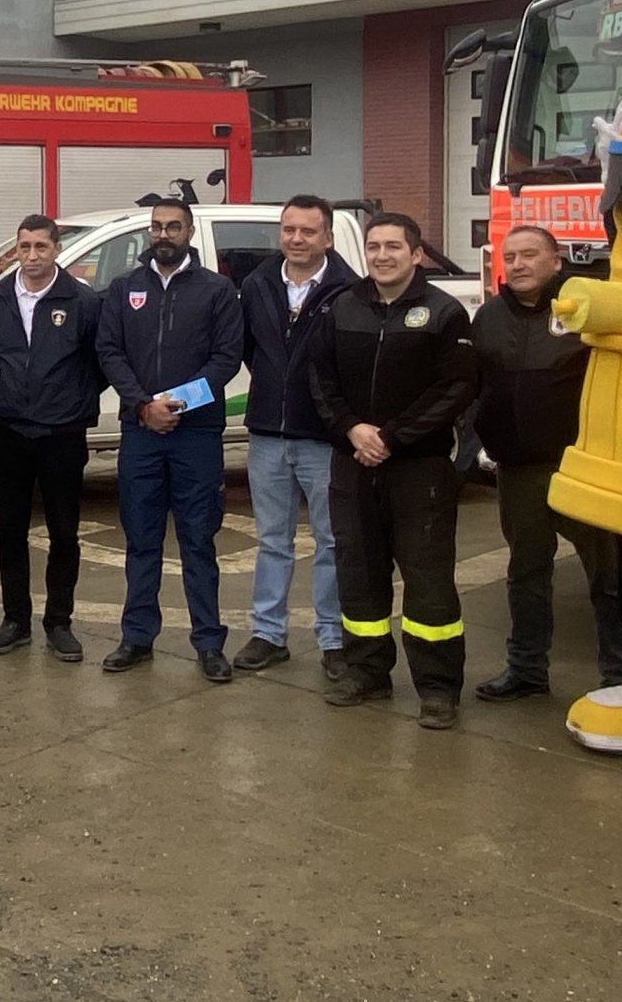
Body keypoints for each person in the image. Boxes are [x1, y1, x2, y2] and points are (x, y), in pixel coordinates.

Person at [309, 210, 478, 726]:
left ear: (416, 254)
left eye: (394, 247)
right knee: (358, 574)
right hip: (353, 462)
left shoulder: (445, 313)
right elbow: (320, 379)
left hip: (419, 467)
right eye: (375, 246)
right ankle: (367, 672)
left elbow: (455, 389)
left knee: (427, 578)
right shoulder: (341, 308)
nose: (382, 255)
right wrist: (351, 429)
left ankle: (437, 687)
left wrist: (392, 435)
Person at [470, 224, 622, 702]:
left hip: (581, 467)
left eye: (529, 255)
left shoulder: (586, 311)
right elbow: (474, 387)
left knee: (609, 577)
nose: (518, 264)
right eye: (510, 256)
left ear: (556, 261)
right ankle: (526, 670)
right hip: (518, 469)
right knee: (526, 573)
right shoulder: (488, 318)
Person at [96, 197, 245, 681]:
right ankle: (137, 637)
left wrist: (174, 404)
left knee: (198, 541)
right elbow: (109, 351)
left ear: (188, 232)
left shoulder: (218, 290)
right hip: (140, 433)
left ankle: (208, 643)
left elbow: (226, 359)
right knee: (141, 540)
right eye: (157, 227)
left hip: (195, 435)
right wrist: (143, 406)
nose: (164, 235)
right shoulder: (124, 288)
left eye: (173, 227)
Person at [233, 194, 360, 677]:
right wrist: (276, 387)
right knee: (272, 541)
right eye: (289, 230)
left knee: (331, 541)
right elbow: (252, 351)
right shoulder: (258, 283)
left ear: (327, 237)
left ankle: (333, 638)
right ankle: (269, 634)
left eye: (308, 231)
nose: (297, 239)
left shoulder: (350, 289)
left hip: (324, 439)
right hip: (267, 434)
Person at [0, 215, 103, 662]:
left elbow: (101, 361)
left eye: (41, 247)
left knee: (63, 532)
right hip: (11, 429)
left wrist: (71, 400)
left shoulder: (83, 301)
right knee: (10, 530)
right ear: (16, 249)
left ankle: (59, 622)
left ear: (56, 250)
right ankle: (15, 620)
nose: (32, 256)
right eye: (25, 247)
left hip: (62, 433)